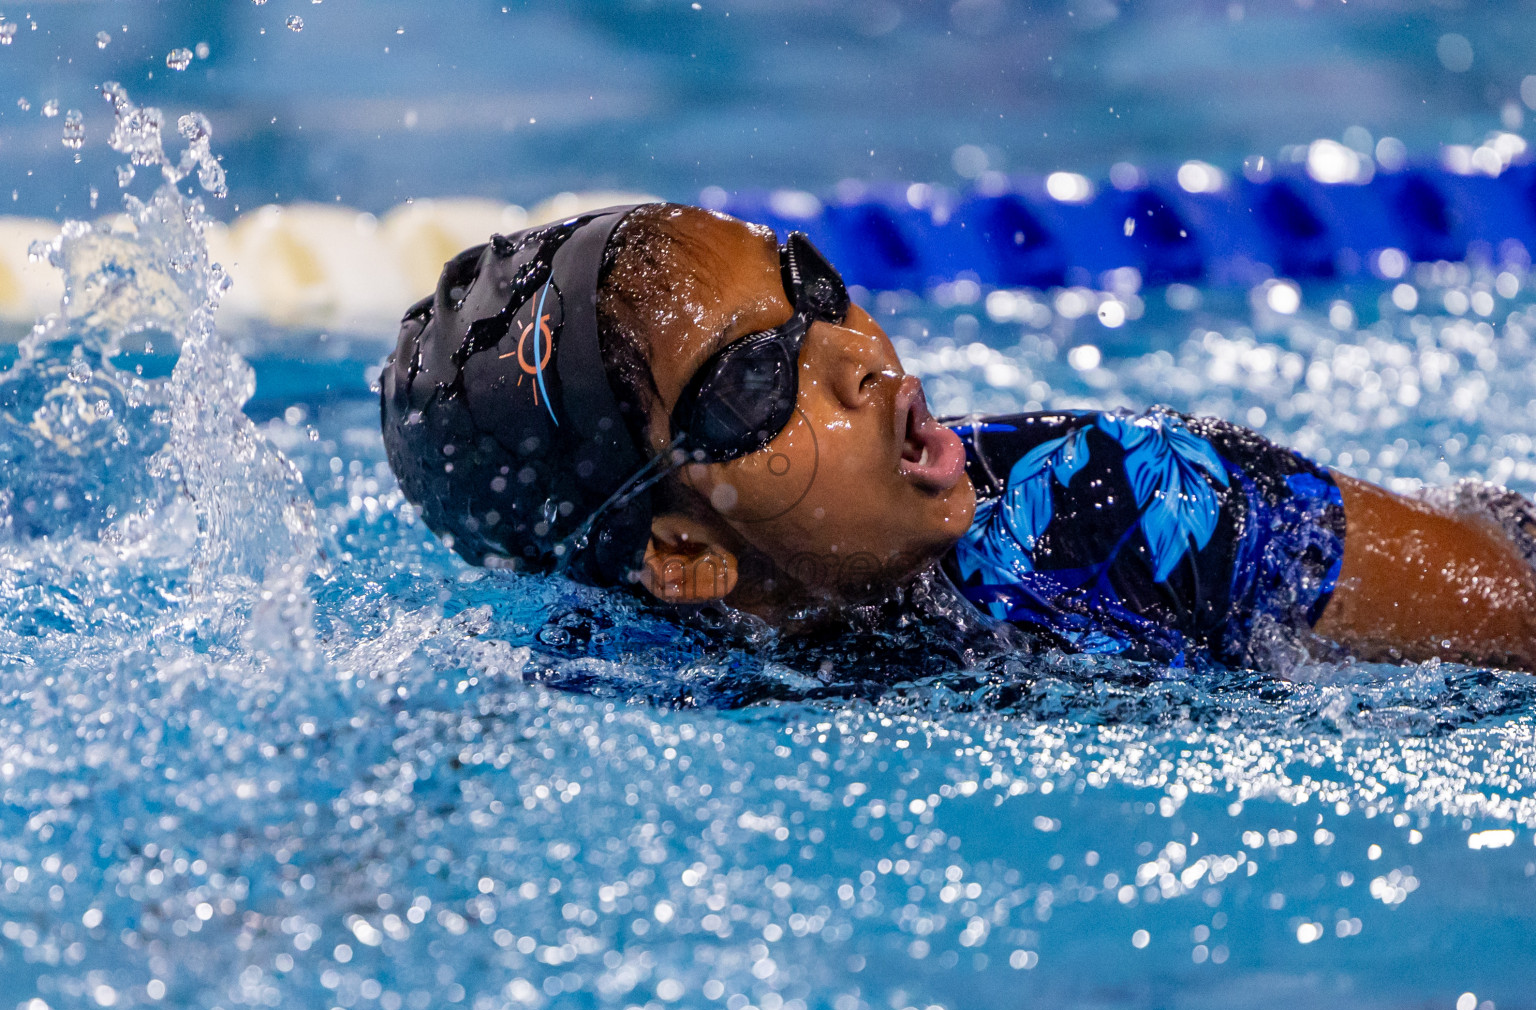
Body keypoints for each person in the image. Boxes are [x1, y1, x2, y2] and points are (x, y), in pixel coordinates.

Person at [380, 203, 1536, 672]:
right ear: (680, 559)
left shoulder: (1134, 507)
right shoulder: (624, 673)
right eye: (755, 380)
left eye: (814, 287)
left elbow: (1509, 603)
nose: (862, 354)